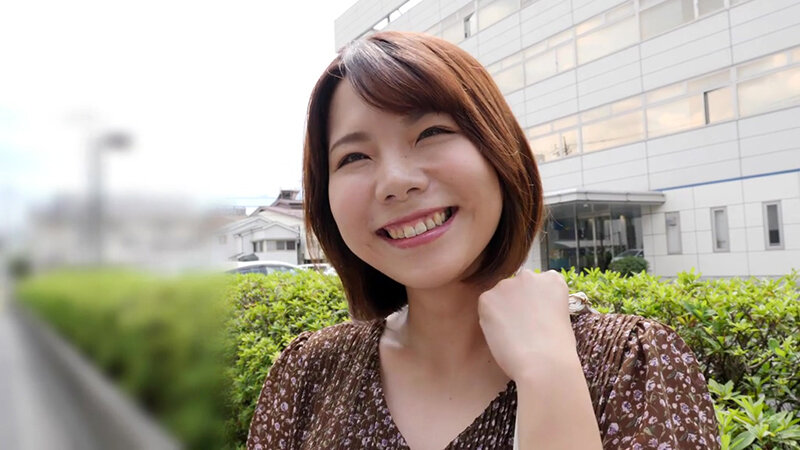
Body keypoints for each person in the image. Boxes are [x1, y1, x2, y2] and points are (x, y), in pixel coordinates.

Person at [247, 31, 720, 449]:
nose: (395, 181)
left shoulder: (630, 364)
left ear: (498, 150)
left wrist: (548, 373)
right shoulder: (309, 373)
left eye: (431, 132)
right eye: (353, 157)